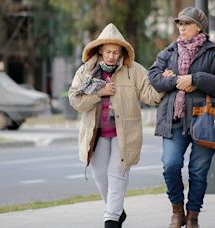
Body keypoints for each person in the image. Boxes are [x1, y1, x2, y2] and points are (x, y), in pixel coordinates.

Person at [69, 23, 164, 228]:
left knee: (116, 176)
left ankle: (111, 220)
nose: (112, 56)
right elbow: (75, 101)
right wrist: (99, 94)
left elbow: (150, 95)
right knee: (100, 176)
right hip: (96, 134)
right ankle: (116, 211)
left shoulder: (135, 70)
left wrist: (165, 83)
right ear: (101, 50)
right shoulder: (86, 71)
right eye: (108, 51)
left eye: (116, 52)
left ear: (122, 52)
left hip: (125, 134)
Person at [148, 7, 215, 228]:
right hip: (173, 121)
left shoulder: (213, 52)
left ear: (198, 27)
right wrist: (176, 80)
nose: (182, 28)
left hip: (204, 121)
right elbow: (153, 76)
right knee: (170, 165)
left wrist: (196, 78)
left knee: (198, 171)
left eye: (186, 24)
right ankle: (177, 211)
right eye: (180, 24)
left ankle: (193, 216)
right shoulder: (170, 51)